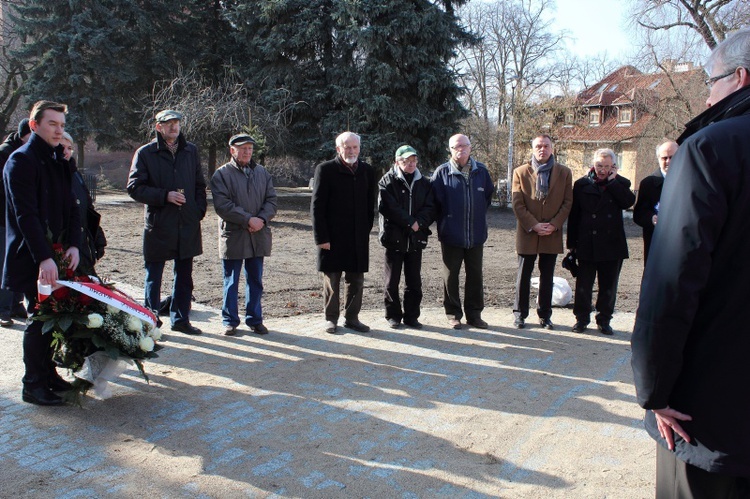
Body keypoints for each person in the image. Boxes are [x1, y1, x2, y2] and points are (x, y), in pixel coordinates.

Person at [631, 27, 750, 497]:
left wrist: (654, 390)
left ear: (740, 77)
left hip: (710, 413)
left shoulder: (710, 149)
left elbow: (672, 283)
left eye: (710, 80)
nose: (707, 93)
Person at [3, 101, 81, 406]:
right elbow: (26, 216)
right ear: (34, 125)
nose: (59, 130)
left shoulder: (58, 160)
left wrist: (74, 244)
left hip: (60, 253)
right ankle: (32, 384)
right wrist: (44, 258)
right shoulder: (20, 160)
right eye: (52, 124)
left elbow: (73, 206)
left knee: (53, 316)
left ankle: (49, 375)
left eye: (62, 125)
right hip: (33, 256)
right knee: (38, 318)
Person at [127, 110, 207, 335]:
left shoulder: (190, 151)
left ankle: (181, 319)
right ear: (158, 127)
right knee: (154, 276)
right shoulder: (145, 153)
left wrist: (197, 210)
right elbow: (134, 188)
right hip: (160, 223)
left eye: (176, 123)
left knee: (184, 275)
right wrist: (165, 196)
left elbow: (199, 185)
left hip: (187, 222)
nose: (174, 127)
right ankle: (150, 322)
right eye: (168, 123)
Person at [210, 133, 277, 336]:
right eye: (242, 148)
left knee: (255, 280)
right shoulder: (221, 175)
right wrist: (248, 219)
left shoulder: (262, 173)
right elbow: (223, 205)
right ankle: (230, 321)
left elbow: (272, 201)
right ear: (232, 150)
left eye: (250, 148)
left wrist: (262, 220)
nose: (247, 152)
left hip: (258, 235)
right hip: (234, 235)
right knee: (231, 281)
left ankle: (255, 319)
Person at [311, 132, 375, 334]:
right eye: (347, 147)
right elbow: (317, 207)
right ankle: (331, 319)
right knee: (332, 280)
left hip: (357, 236)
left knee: (356, 279)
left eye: (355, 147)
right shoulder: (325, 169)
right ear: (338, 149)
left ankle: (352, 317)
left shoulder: (367, 171)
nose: (352, 151)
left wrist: (365, 229)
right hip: (332, 236)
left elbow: (369, 205)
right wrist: (321, 237)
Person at [566, 149, 635, 335]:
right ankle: (581, 319)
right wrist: (572, 243)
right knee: (583, 285)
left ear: (613, 166)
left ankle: (604, 319)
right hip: (586, 242)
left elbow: (628, 202)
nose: (602, 170)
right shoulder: (581, 184)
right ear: (593, 164)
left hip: (612, 244)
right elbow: (574, 216)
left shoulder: (621, 183)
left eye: (606, 166)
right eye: (599, 166)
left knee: (609, 286)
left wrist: (613, 182)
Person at [431, 134, 495, 329]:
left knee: (475, 275)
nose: (461, 149)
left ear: (470, 147)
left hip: (476, 234)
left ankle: (474, 314)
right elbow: (435, 203)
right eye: (456, 146)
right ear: (450, 150)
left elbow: (487, 199)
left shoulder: (482, 171)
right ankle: (453, 314)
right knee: (450, 276)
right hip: (451, 235)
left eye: (464, 145)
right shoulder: (442, 173)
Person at [511, 134, 572, 330]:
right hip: (528, 231)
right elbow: (517, 203)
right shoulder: (520, 172)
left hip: (551, 232)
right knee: (524, 274)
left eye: (546, 146)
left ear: (552, 149)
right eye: (538, 146)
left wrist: (554, 224)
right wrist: (533, 224)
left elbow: (567, 202)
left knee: (547, 276)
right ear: (533, 149)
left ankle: (545, 315)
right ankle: (520, 314)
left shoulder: (564, 172)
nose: (542, 149)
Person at [377, 145, 435, 329]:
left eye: (413, 160)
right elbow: (389, 208)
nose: (410, 164)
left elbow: (431, 206)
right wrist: (410, 222)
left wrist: (420, 222)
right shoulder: (387, 181)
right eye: (406, 161)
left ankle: (412, 316)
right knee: (391, 280)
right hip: (394, 238)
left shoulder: (424, 182)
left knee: (414, 281)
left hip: (415, 239)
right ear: (397, 162)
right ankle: (393, 315)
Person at [0, 118, 32, 327]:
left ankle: (16, 304)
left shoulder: (28, 152)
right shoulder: (5, 153)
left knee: (20, 260)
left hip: (20, 216)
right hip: (3, 216)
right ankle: (2, 309)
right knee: (4, 262)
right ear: (24, 135)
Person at [60, 132, 107, 274]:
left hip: (82, 245)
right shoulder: (49, 174)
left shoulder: (76, 175)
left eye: (69, 148)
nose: (66, 152)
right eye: (62, 147)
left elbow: (88, 208)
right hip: (61, 246)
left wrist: (96, 235)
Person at [633, 140, 677, 265]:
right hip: (656, 243)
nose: (668, 161)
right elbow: (639, 214)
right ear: (658, 159)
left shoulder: (690, 181)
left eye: (672, 157)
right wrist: (652, 218)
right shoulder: (648, 183)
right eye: (664, 158)